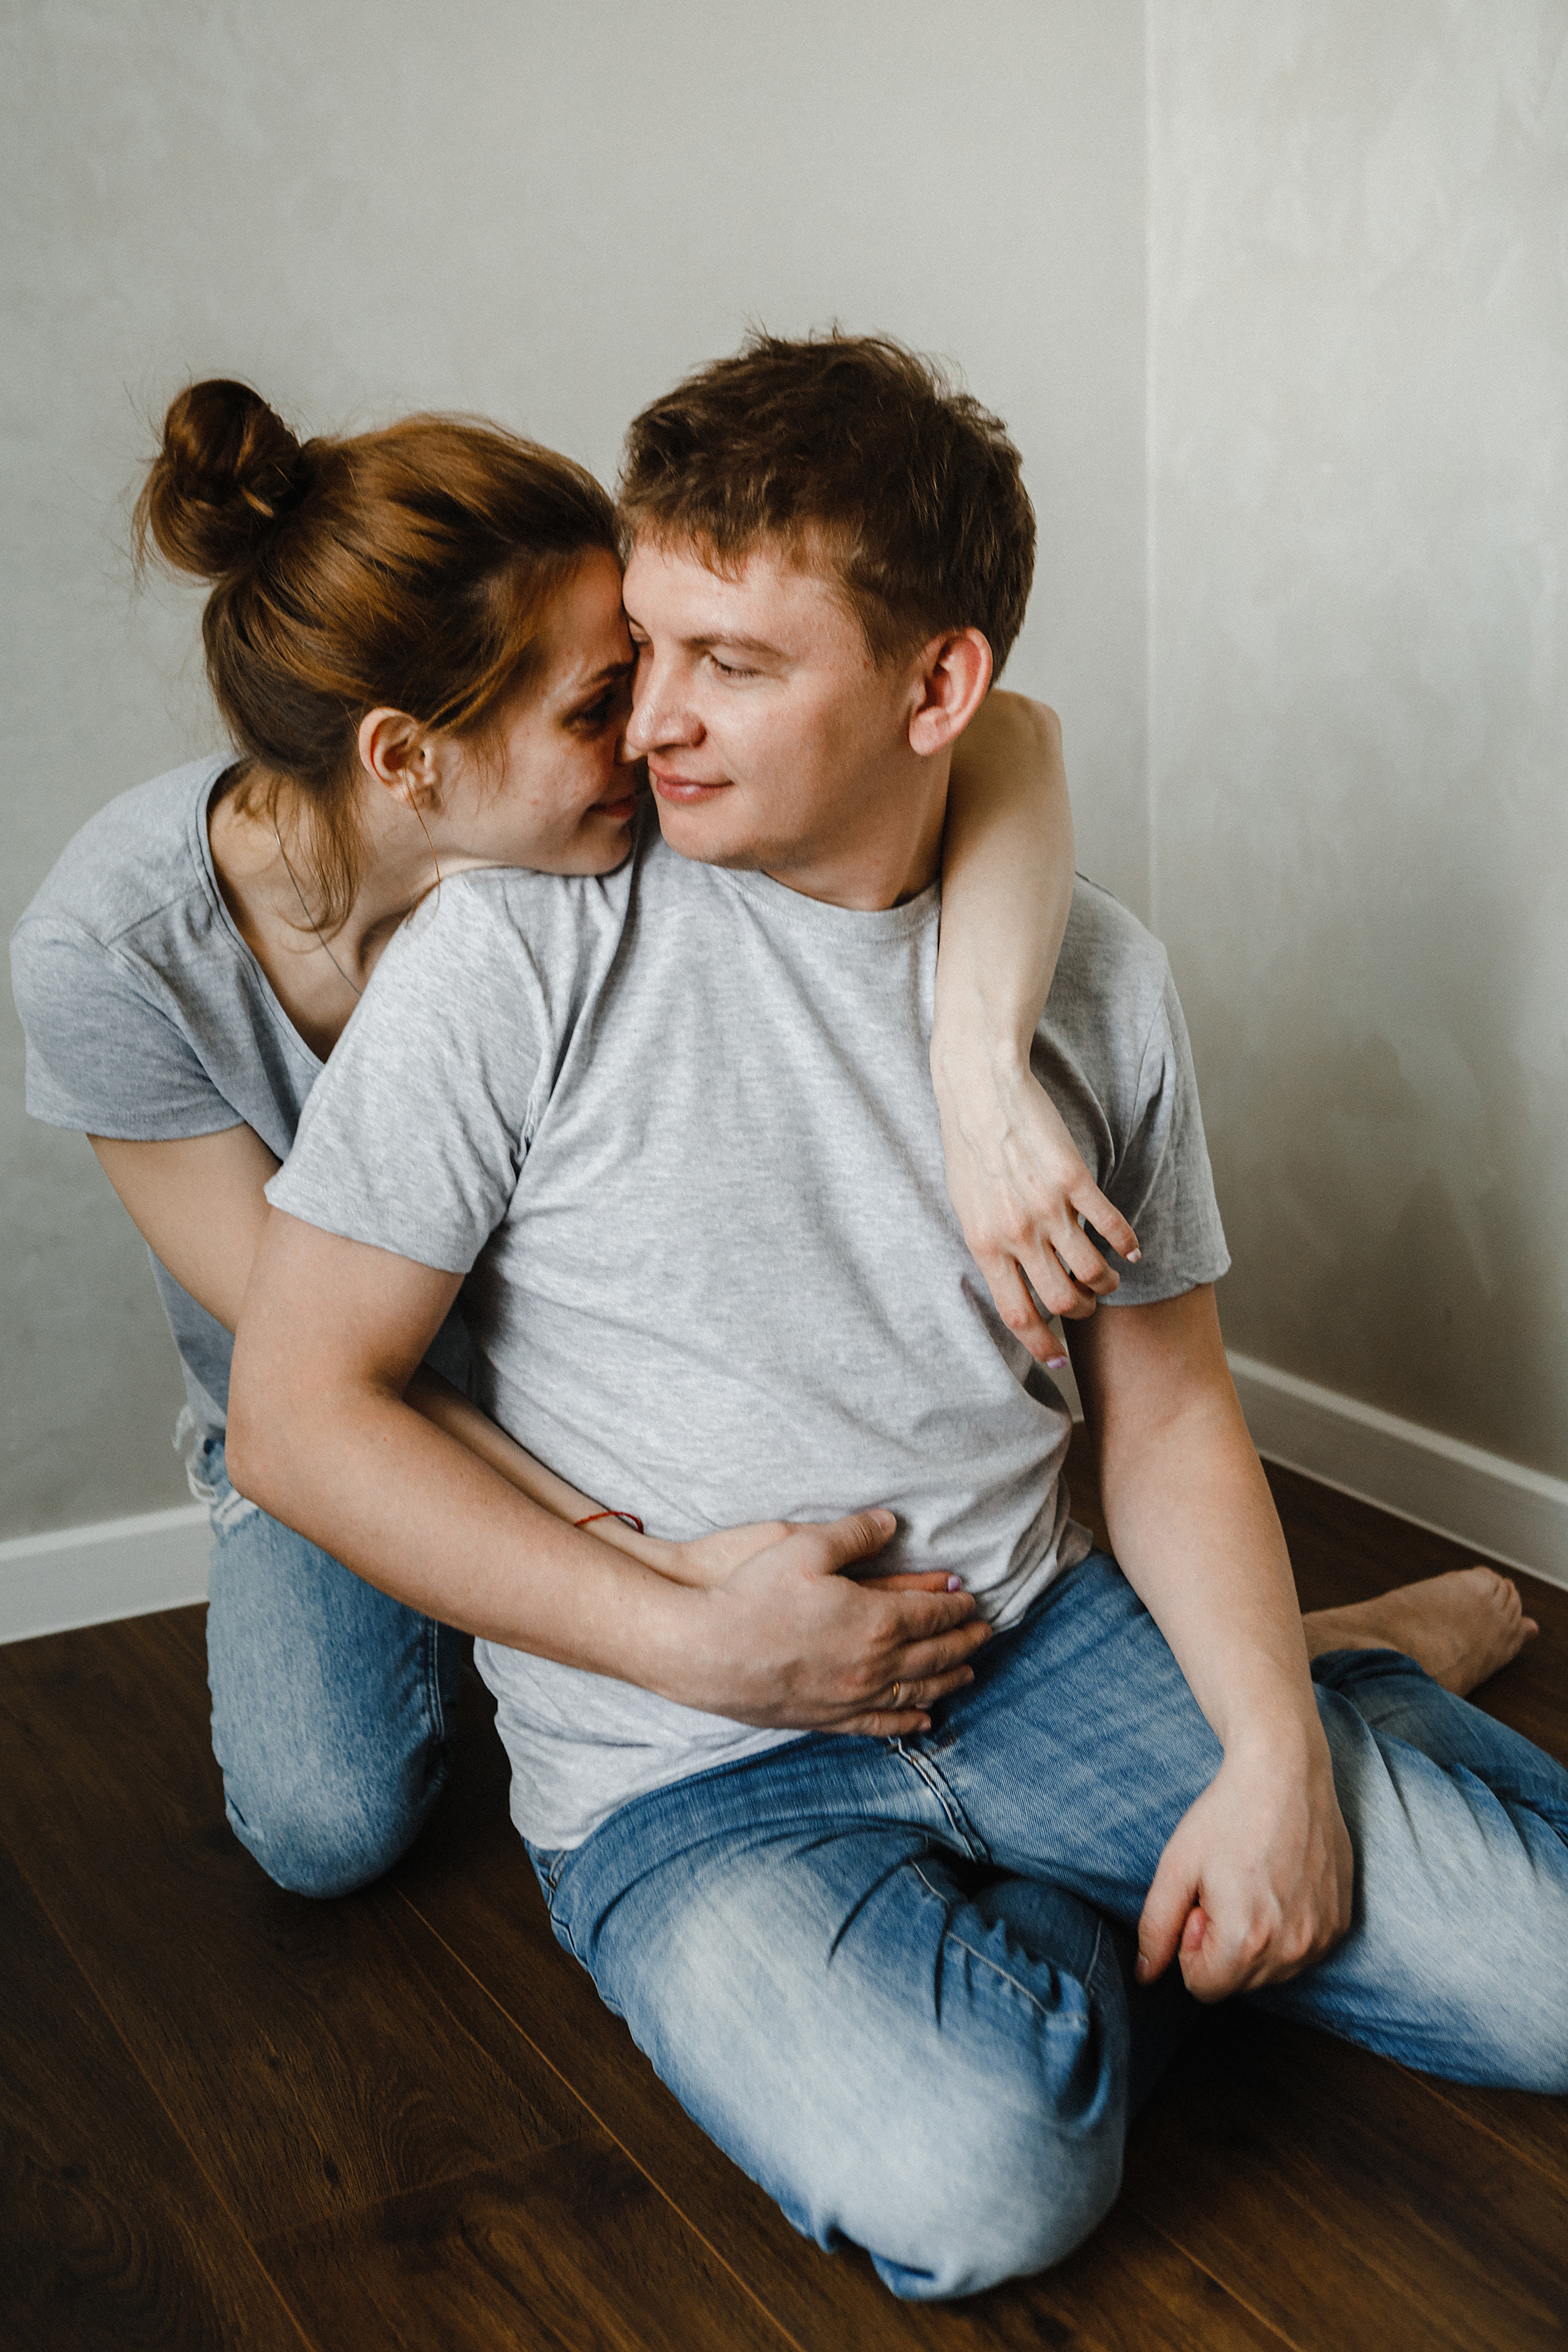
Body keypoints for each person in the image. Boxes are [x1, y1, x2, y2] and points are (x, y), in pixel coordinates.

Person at [228, 332, 1565, 2301]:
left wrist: (1272, 1764)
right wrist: (699, 1642)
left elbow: (1171, 1414)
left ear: (940, 691)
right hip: (689, 1767)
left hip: (1047, 1649)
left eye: (733, 665)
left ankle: (1296, 1712)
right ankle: (1236, 1796)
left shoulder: (1092, 977)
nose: (652, 723)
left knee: (1546, 1986)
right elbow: (294, 1416)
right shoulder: (520, 936)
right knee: (982, 2183)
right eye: (647, 648)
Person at [10, 377, 1140, 1901]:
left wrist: (977, 1066)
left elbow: (1002, 730)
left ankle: (1280, 1669)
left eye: (657, 668)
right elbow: (323, 1378)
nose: (655, 731)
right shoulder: (113, 958)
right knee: (323, 1821)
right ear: (406, 760)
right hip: (361, 1405)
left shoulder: (572, 845)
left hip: (601, 1377)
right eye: (601, 706)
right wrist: (649, 1582)